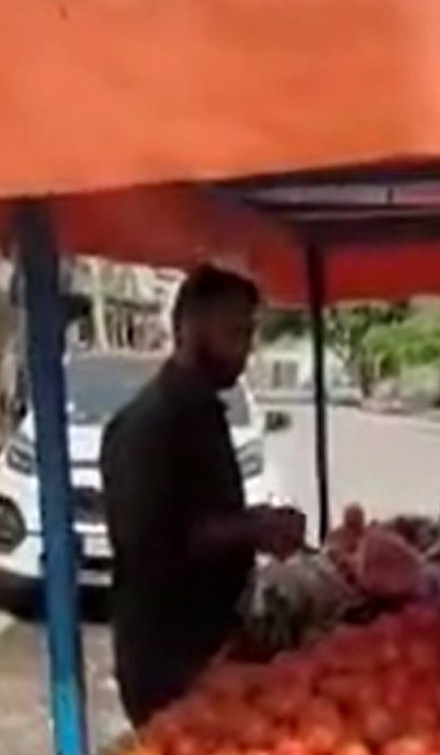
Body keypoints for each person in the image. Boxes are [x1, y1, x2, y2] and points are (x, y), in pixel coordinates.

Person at [99, 266, 308, 726]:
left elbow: (203, 514)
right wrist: (251, 530)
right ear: (188, 328)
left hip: (212, 641)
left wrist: (255, 521)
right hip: (169, 657)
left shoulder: (204, 412)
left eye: (249, 333)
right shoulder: (148, 424)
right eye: (235, 331)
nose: (246, 349)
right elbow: (147, 542)